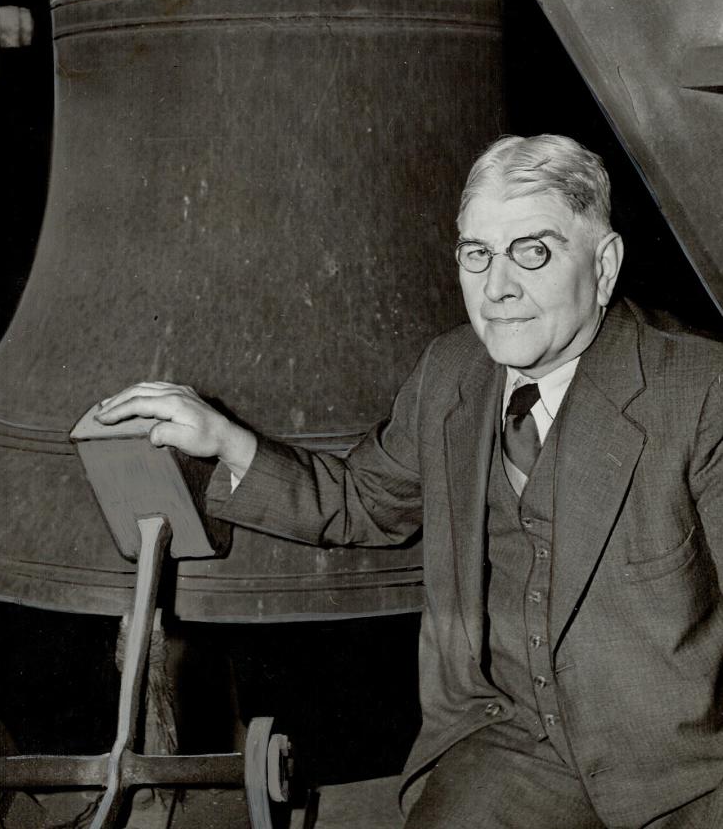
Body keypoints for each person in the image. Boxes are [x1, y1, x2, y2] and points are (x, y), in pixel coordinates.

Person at [96, 134, 723, 829]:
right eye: (475, 254)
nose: (497, 289)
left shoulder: (698, 391)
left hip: (684, 770)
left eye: (532, 252)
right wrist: (224, 441)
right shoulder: (450, 373)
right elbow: (364, 500)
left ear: (603, 267)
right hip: (516, 748)